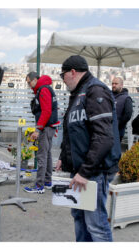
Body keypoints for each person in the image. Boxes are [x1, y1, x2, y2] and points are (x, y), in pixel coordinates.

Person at [56, 55, 121, 242]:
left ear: (72, 72)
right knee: (79, 219)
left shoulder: (95, 91)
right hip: (81, 171)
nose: (63, 80)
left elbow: (104, 137)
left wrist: (84, 172)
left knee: (96, 225)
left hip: (94, 172)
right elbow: (73, 131)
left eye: (63, 75)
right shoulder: (78, 94)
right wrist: (64, 157)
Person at [24, 73, 59, 194]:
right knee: (47, 154)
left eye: (29, 82)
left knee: (41, 156)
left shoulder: (43, 89)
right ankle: (48, 181)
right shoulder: (45, 88)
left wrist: (37, 130)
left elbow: (46, 111)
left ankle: (39, 185)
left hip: (45, 128)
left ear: (35, 80)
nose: (29, 85)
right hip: (50, 127)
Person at [111, 76, 133, 142]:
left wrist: (117, 125)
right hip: (105, 131)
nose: (114, 85)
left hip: (117, 132)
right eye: (112, 83)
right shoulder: (108, 95)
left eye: (116, 83)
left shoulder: (126, 98)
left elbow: (128, 115)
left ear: (121, 85)